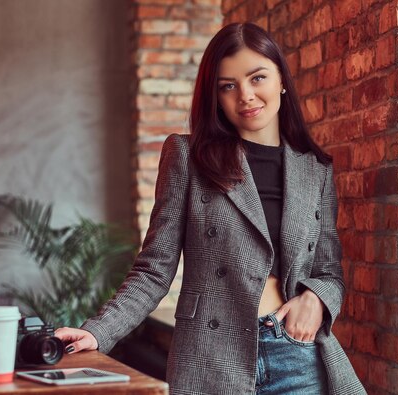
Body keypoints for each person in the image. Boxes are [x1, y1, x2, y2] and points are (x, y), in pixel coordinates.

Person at [55, 23, 366, 395]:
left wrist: (316, 300)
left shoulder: (315, 170)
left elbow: (329, 270)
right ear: (215, 96)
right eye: (228, 86)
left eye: (257, 78)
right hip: (211, 359)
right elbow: (154, 270)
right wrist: (97, 330)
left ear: (281, 79)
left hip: (296, 357)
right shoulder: (188, 157)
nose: (246, 95)